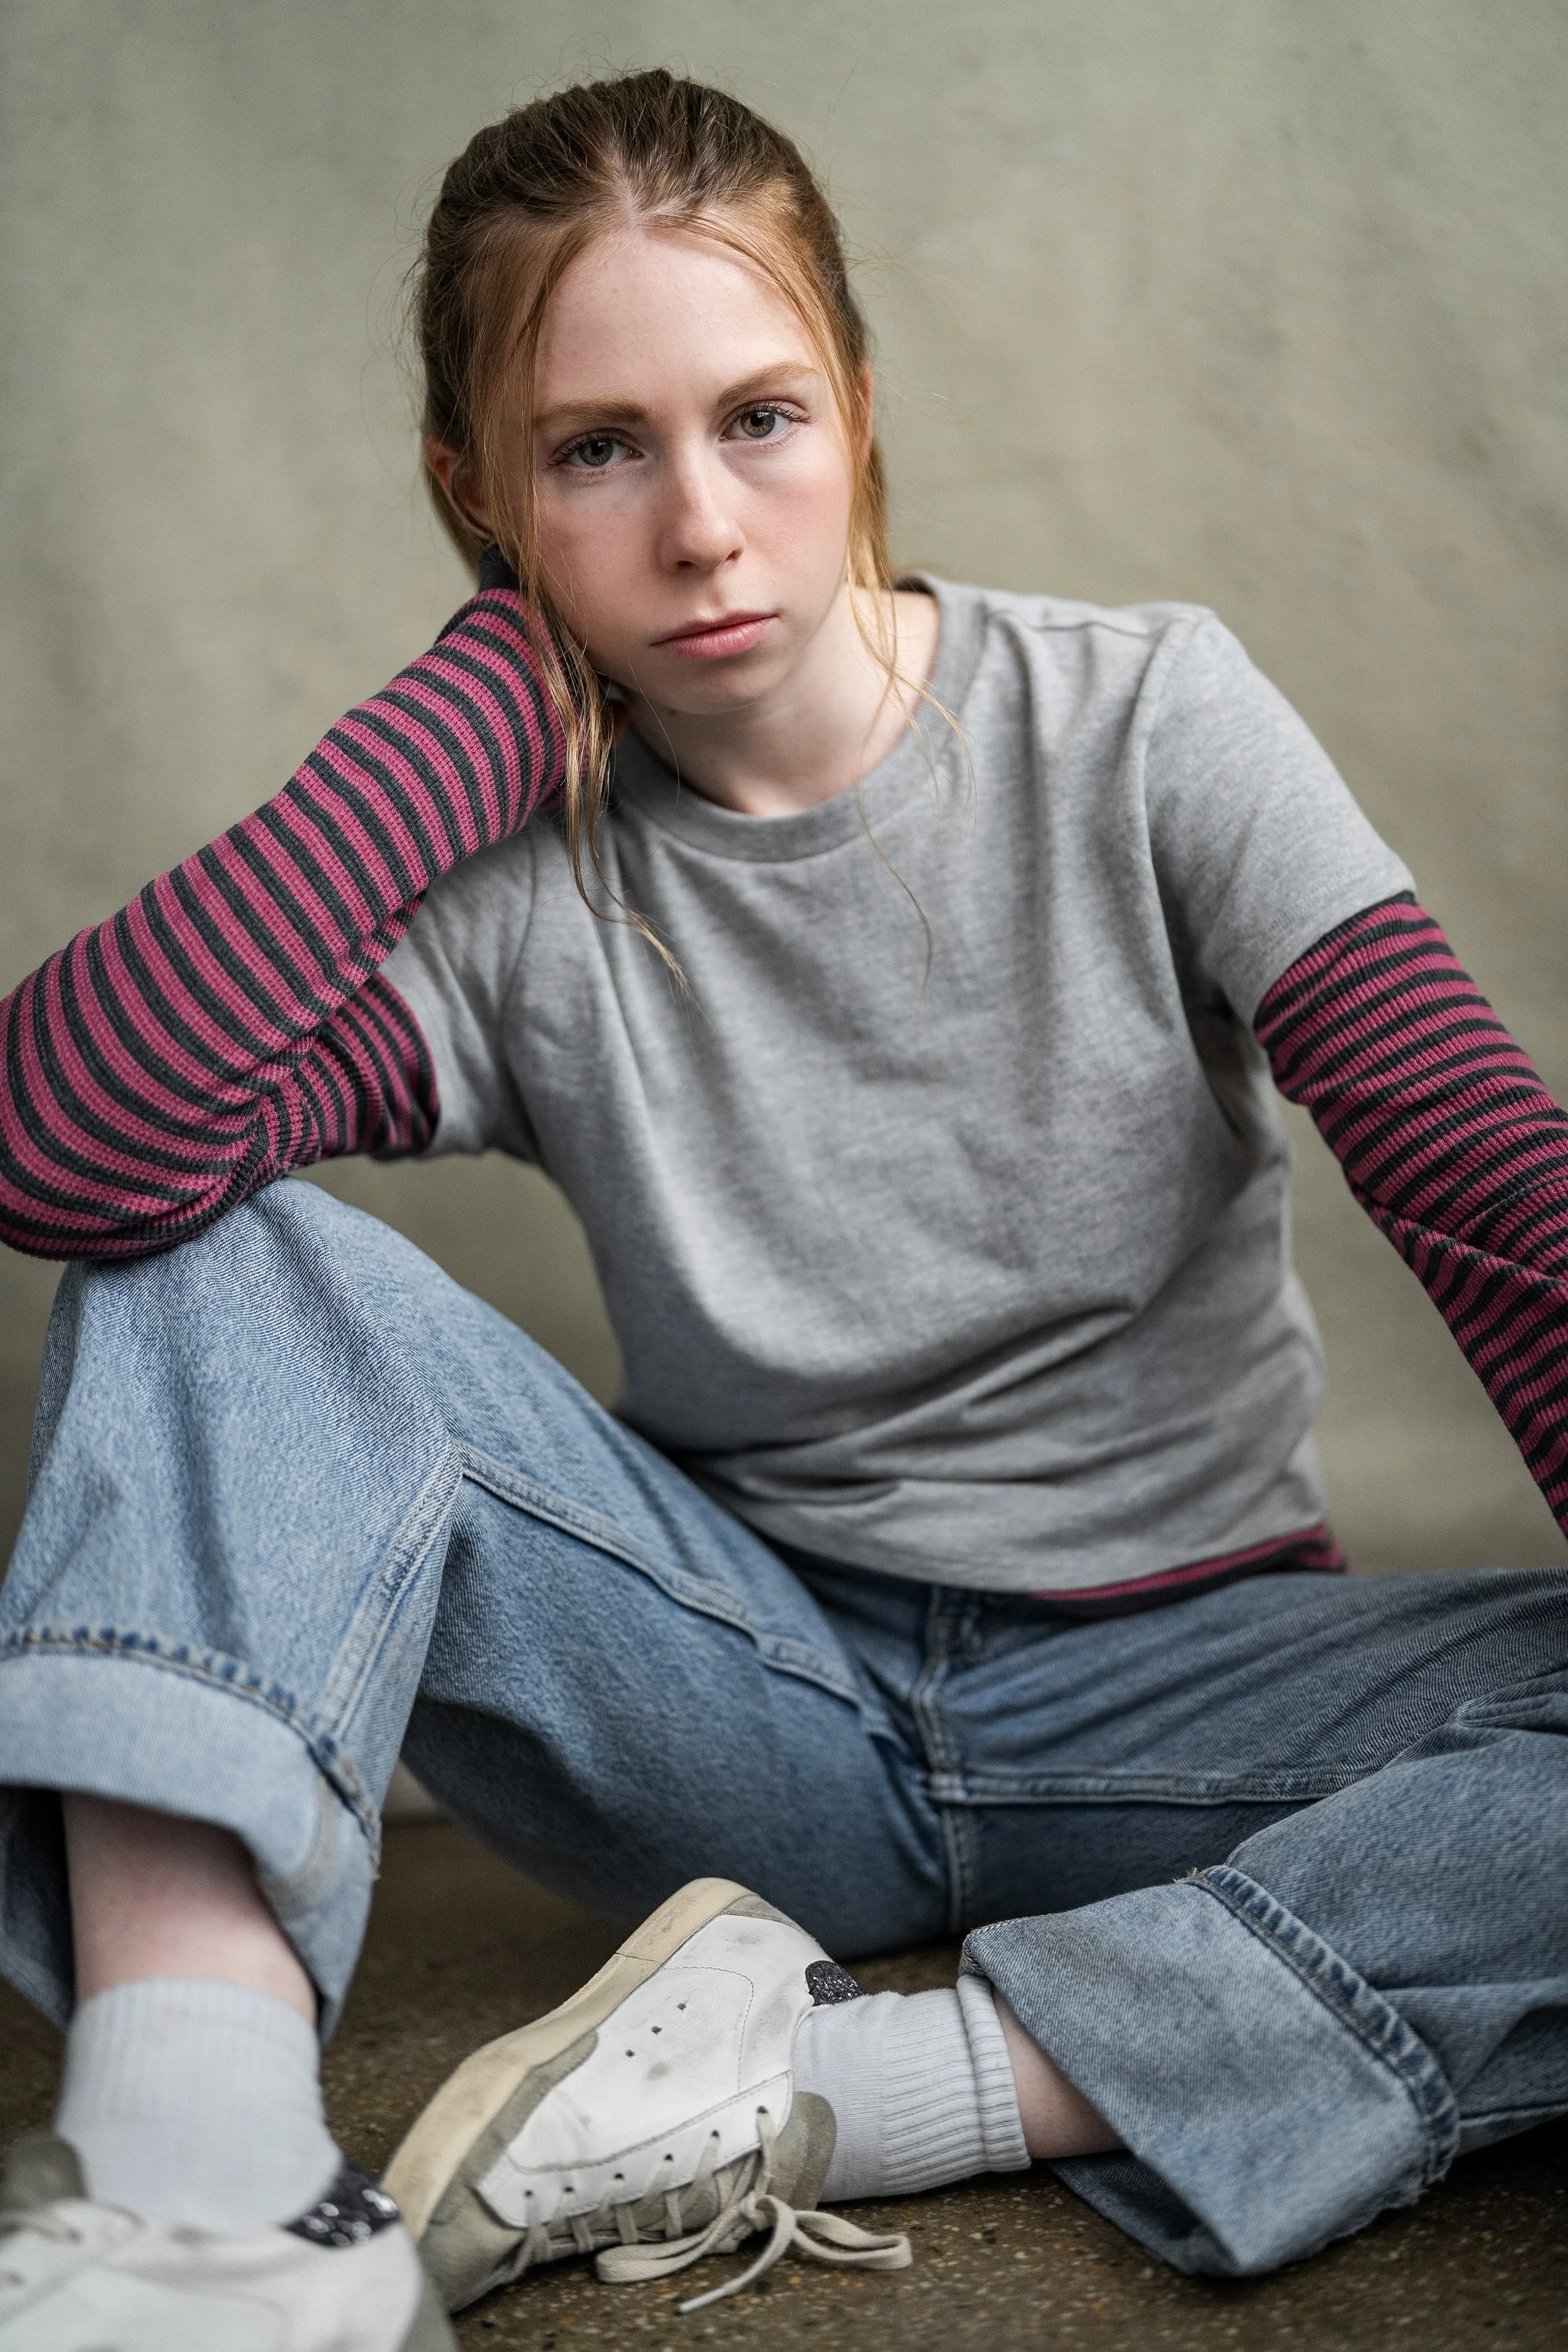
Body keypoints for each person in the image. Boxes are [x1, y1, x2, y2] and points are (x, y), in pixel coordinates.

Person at [1, 65, 1565, 2352]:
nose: (707, 530)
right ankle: (203, 2183)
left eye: (757, 417)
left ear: (855, 404)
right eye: (595, 452)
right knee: (209, 1245)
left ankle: (840, 2085)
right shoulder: (518, 888)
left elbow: (1486, 1192)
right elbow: (71, 1149)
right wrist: (480, 702)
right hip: (744, 1714)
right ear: (482, 494)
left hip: (1190, 1706)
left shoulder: (1146, 722)